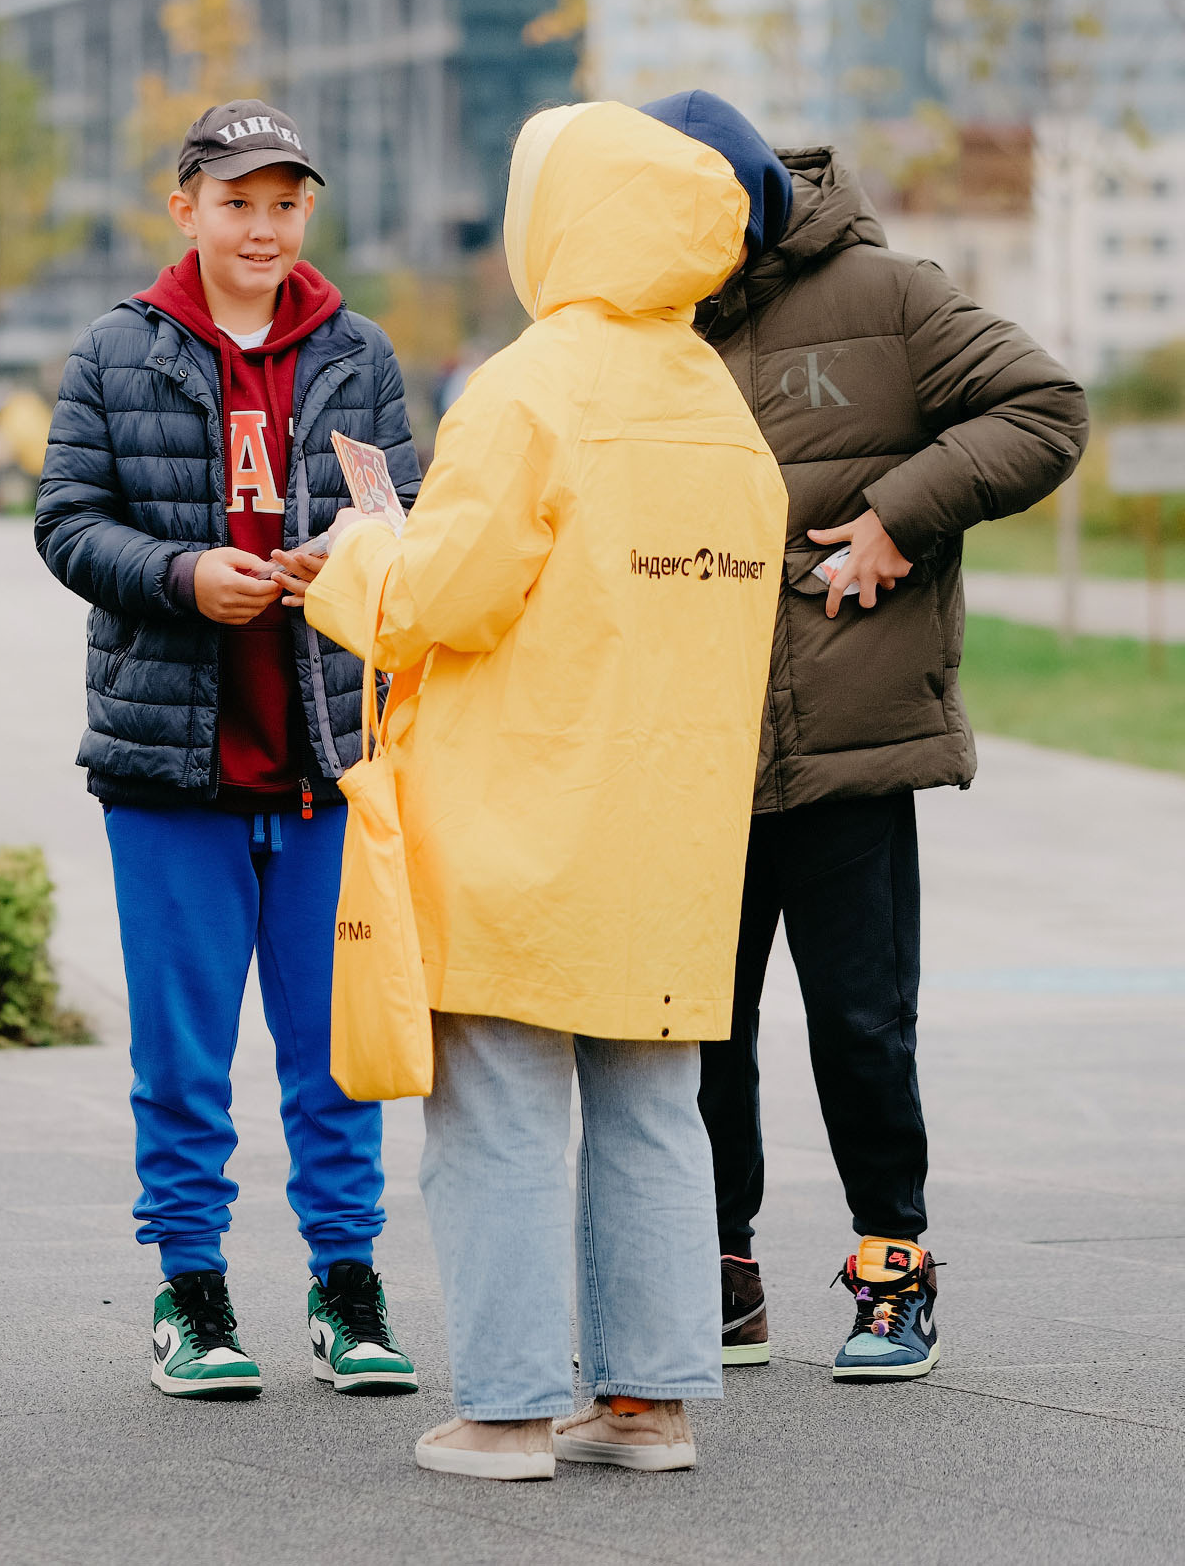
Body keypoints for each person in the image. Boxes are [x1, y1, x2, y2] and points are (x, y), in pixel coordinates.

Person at [297, 100, 786, 1481]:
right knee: (650, 1112)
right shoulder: (717, 403)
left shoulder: (528, 388)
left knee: (500, 1115)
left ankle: (507, 1408)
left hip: (520, 813)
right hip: (672, 831)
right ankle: (651, 1403)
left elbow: (441, 598)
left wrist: (358, 552)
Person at [641, 90, 1088, 1383]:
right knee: (695, 1026)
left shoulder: (888, 295)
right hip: (690, 751)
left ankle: (893, 1267)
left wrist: (901, 514)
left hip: (847, 741)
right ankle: (719, 1269)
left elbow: (1042, 407)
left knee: (861, 1024)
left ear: (752, 197)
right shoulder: (638, 327)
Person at [35, 99, 423, 1401]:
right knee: (184, 1051)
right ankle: (190, 1288)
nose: (262, 225)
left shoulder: (359, 353)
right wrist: (182, 571)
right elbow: (69, 523)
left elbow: (402, 510)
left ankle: (347, 1281)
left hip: (324, 759)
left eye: (285, 202)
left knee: (337, 1049)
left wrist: (349, 557)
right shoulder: (116, 352)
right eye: (237, 200)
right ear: (184, 207)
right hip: (170, 766)